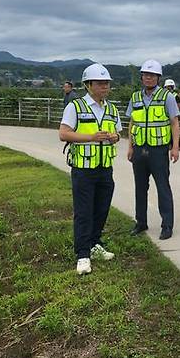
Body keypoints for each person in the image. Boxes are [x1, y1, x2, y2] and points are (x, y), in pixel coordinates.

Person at [59, 64, 121, 275]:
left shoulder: (111, 109)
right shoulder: (75, 107)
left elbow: (118, 134)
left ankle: (95, 244)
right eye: (100, 83)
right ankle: (83, 254)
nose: (105, 87)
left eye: (107, 83)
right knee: (84, 212)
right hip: (84, 169)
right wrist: (91, 138)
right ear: (88, 85)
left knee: (101, 209)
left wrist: (115, 137)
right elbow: (64, 134)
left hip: (105, 168)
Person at [126, 59, 180, 240]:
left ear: (158, 77)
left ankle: (167, 225)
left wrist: (175, 147)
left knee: (163, 187)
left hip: (159, 151)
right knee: (140, 188)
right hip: (139, 149)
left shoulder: (167, 97)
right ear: (141, 77)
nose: (148, 78)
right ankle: (140, 222)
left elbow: (174, 123)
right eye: (145, 75)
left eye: (152, 75)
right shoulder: (135, 98)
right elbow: (132, 122)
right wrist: (130, 146)